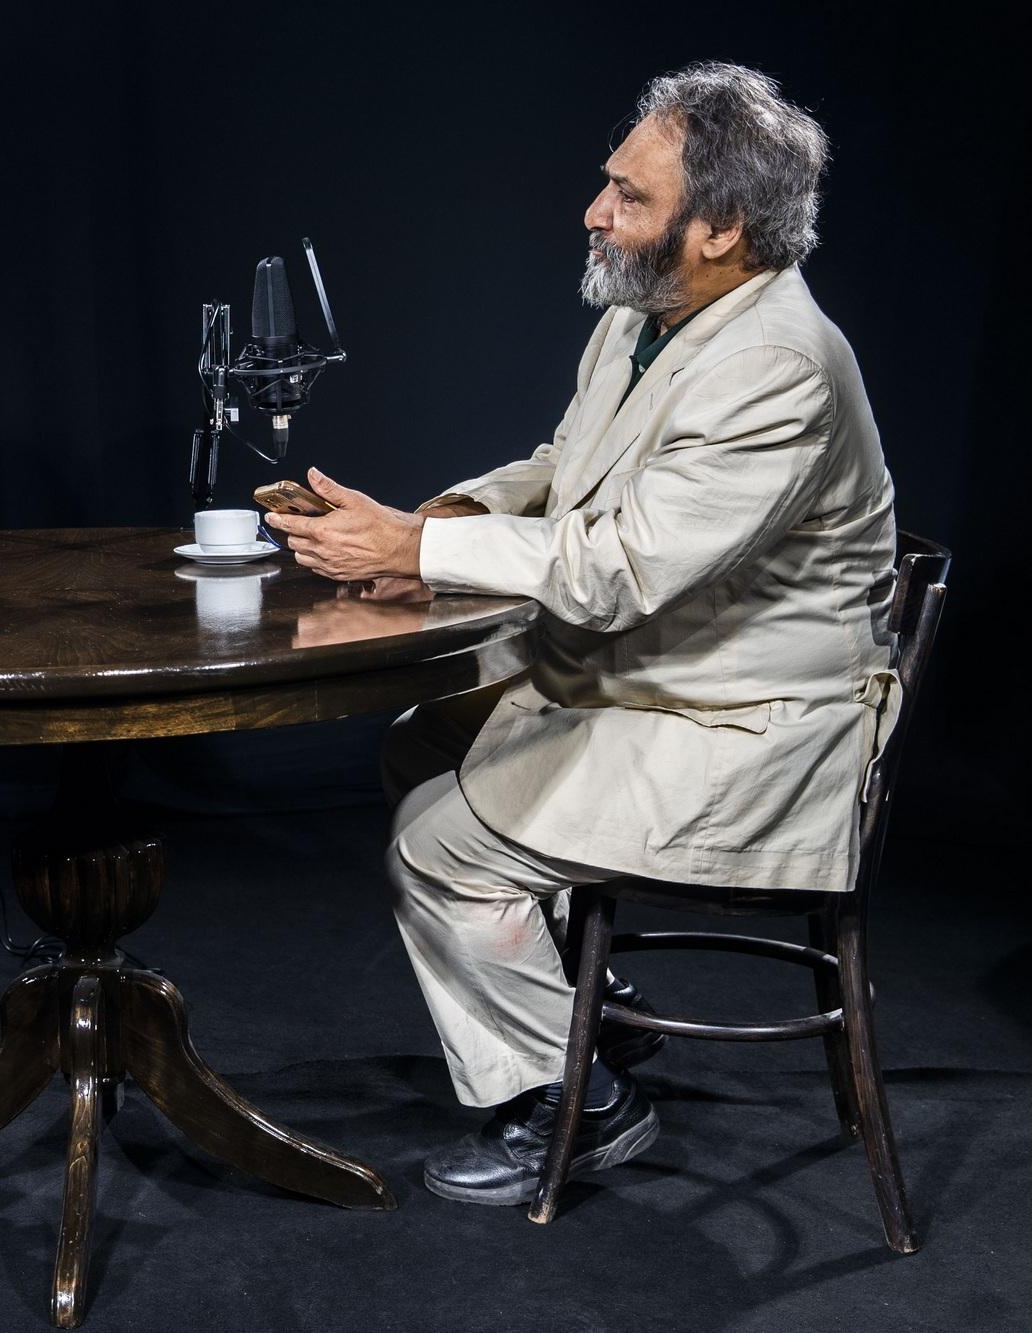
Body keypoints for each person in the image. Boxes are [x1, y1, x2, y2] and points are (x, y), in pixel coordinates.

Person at [264, 62, 898, 1204]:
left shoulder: (776, 365)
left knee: (439, 849)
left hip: (753, 728)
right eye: (607, 184)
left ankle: (578, 1101)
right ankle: (580, 1013)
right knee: (426, 739)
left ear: (721, 228)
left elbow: (619, 566)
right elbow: (570, 467)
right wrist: (431, 525)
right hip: (668, 677)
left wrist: (415, 554)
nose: (593, 212)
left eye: (629, 196)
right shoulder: (648, 315)